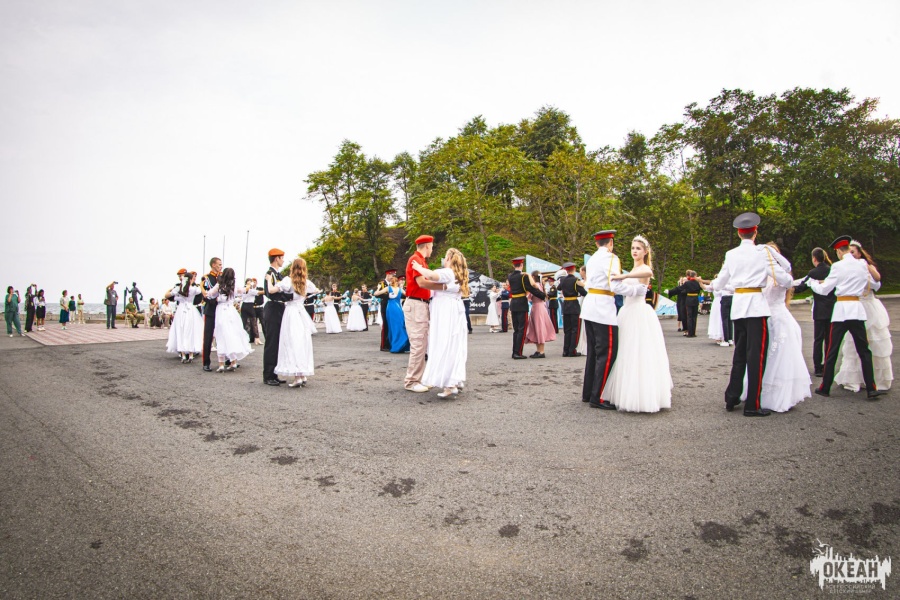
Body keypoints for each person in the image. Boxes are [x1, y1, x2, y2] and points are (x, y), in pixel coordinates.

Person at [713, 213, 793, 416]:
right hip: (756, 307)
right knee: (756, 357)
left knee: (739, 354)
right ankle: (752, 404)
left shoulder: (731, 254)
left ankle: (731, 397)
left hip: (738, 306)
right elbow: (786, 277)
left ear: (739, 234)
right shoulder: (762, 253)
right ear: (755, 232)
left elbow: (720, 283)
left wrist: (712, 285)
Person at [605, 235, 673, 412]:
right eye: (633, 248)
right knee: (625, 351)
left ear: (645, 252)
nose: (634, 251)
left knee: (639, 351)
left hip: (639, 312)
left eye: (638, 248)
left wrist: (624, 275)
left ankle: (642, 394)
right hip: (626, 311)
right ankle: (626, 391)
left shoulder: (644, 268)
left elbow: (649, 273)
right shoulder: (634, 268)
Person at [581, 230, 648, 409]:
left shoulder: (592, 259)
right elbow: (615, 285)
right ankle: (598, 396)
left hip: (590, 306)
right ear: (611, 243)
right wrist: (635, 290)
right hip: (603, 308)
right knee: (607, 352)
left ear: (597, 243)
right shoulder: (611, 258)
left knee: (593, 352)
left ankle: (588, 393)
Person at [744, 243, 811, 412]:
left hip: (779, 318)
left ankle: (778, 395)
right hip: (763, 316)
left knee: (780, 355)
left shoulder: (781, 274)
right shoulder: (760, 273)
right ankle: (757, 391)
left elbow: (788, 282)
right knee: (762, 355)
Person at [832, 240, 893, 393]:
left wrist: (865, 273)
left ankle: (876, 380)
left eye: (853, 252)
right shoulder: (844, 267)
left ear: (859, 253)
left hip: (869, 307)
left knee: (874, 343)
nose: (850, 254)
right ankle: (855, 379)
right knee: (853, 346)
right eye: (849, 251)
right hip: (855, 306)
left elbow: (877, 284)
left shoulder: (865, 266)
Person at [414, 248, 470, 397]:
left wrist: (418, 267)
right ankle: (454, 381)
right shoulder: (458, 274)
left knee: (444, 344)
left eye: (445, 256)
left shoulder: (448, 272)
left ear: (450, 258)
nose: (444, 259)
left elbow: (432, 275)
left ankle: (449, 384)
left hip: (446, 312)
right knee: (453, 345)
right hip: (453, 311)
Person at [404, 235, 443, 392]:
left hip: (419, 304)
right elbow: (421, 282)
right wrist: (445, 287)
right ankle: (412, 381)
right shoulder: (417, 259)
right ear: (427, 246)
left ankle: (417, 379)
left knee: (421, 344)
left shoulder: (420, 260)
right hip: (416, 304)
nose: (432, 249)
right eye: (431, 246)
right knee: (418, 344)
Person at [275, 258, 319, 387]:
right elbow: (315, 290)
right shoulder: (307, 282)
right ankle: (302, 373)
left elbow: (273, 290)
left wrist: (268, 281)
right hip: (301, 312)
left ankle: (297, 376)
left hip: (290, 312)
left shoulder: (287, 281)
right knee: (302, 342)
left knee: (292, 342)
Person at [794, 247, 836, 377]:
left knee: (818, 339)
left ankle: (818, 367)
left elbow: (801, 287)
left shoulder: (813, 273)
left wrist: (790, 287)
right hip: (832, 309)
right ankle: (828, 365)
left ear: (814, 258)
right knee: (829, 340)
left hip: (819, 311)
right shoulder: (832, 270)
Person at [206, 268, 252, 372]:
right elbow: (243, 290)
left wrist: (216, 297)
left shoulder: (219, 285)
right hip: (231, 311)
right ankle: (233, 361)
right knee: (232, 334)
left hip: (221, 310)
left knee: (221, 335)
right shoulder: (234, 285)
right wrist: (249, 286)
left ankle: (221, 364)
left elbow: (209, 294)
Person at [263, 248, 294, 386]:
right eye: (282, 258)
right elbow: (270, 293)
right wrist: (291, 297)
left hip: (280, 308)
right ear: (276, 258)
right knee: (272, 343)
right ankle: (268, 375)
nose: (283, 260)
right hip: (273, 307)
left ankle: (274, 373)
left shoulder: (278, 274)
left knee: (278, 343)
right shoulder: (270, 274)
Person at [507, 257, 546, 359]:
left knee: (516, 330)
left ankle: (515, 351)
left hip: (514, 303)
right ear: (522, 265)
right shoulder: (523, 276)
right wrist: (543, 295)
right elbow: (530, 288)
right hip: (521, 303)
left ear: (513, 265)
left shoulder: (510, 276)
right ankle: (518, 353)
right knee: (522, 329)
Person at [166, 272, 203, 363]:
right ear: (190, 280)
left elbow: (167, 295)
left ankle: (183, 355)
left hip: (181, 310)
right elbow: (201, 292)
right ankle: (191, 354)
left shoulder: (178, 288)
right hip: (191, 309)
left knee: (180, 331)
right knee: (191, 331)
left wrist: (171, 290)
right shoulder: (194, 289)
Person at [524, 269, 555, 358]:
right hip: (539, 306)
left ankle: (541, 351)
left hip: (537, 307)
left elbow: (529, 296)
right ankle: (538, 350)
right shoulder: (541, 285)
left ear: (533, 277)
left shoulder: (536, 286)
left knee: (539, 327)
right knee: (537, 327)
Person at [200, 258, 224, 372]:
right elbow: (205, 295)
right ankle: (206, 362)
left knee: (224, 335)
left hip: (222, 310)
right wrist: (216, 301)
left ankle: (227, 359)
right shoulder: (206, 278)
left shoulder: (222, 276)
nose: (221, 266)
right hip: (211, 310)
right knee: (208, 337)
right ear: (213, 265)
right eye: (219, 264)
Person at [558, 262, 586, 357]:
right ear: (574, 269)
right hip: (573, 304)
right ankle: (572, 350)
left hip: (565, 304)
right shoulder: (575, 280)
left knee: (567, 329)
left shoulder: (563, 280)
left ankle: (565, 350)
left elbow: (558, 288)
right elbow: (583, 292)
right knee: (575, 329)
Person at [665, 271, 702, 337]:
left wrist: (670, 291)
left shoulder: (687, 283)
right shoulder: (697, 283)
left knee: (689, 317)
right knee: (694, 317)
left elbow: (679, 288)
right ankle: (693, 333)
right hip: (695, 300)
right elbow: (701, 288)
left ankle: (690, 333)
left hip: (689, 300)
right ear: (695, 275)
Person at [386, 275, 410, 353]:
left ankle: (397, 344)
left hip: (391, 308)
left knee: (393, 326)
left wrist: (380, 288)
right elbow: (408, 295)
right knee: (400, 324)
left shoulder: (388, 288)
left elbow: (376, 293)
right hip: (398, 308)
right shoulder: (400, 289)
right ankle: (402, 341)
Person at [374, 269, 396, 350]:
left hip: (392, 305)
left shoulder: (393, 283)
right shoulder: (382, 283)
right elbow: (377, 295)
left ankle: (390, 342)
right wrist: (388, 295)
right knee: (385, 325)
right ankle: (384, 345)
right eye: (392, 275)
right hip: (385, 304)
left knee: (391, 324)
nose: (393, 277)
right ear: (388, 275)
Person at [240, 278, 263, 345]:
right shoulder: (250, 290)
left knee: (247, 322)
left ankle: (248, 338)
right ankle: (255, 338)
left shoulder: (244, 289)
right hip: (249, 306)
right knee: (253, 322)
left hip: (245, 306)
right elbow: (259, 292)